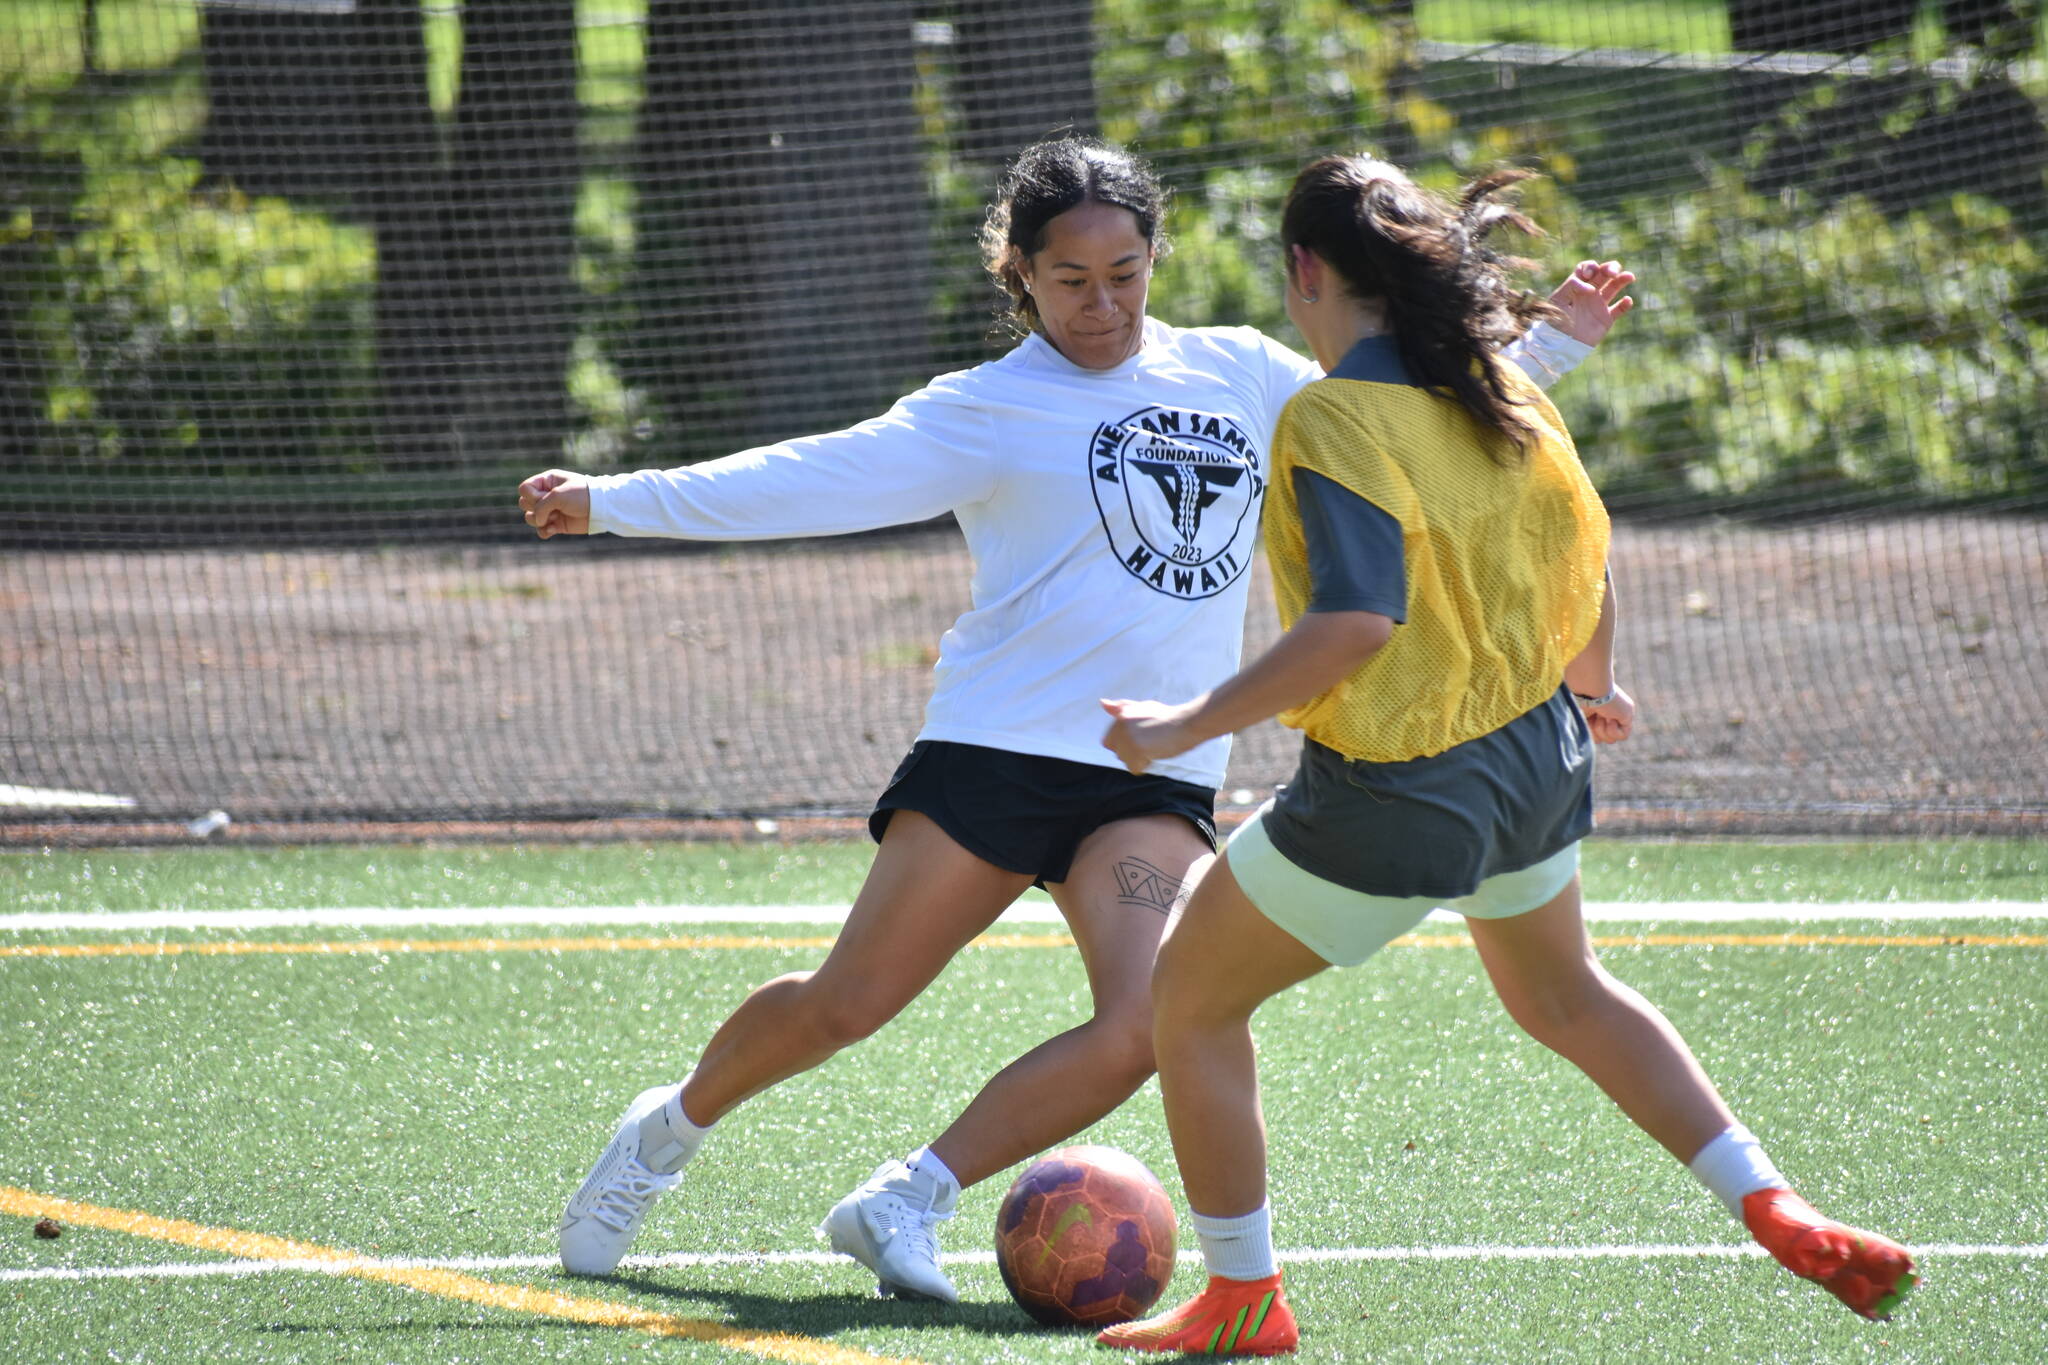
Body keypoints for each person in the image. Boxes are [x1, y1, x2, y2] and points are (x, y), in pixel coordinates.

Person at [517, 134, 1627, 1301]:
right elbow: (808, 477)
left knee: (1151, 1018)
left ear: (1155, 258)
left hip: (1154, 769)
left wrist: (1552, 347)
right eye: (1070, 280)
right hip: (996, 754)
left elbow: (1419, 427)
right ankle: (666, 1132)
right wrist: (609, 504)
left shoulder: (1244, 374)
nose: (1101, 304)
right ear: (1019, 274)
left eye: (1125, 272)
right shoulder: (984, 410)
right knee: (846, 1005)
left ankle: (906, 1196)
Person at [1094, 154, 1917, 1356]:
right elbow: (1579, 558)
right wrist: (1593, 685)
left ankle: (1242, 1298)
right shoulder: (1497, 394)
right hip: (1541, 763)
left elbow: (1353, 623)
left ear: (1305, 271)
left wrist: (1179, 727)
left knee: (1187, 1001)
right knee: (1564, 994)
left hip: (1399, 796)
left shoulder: (1331, 415)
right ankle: (1766, 1197)